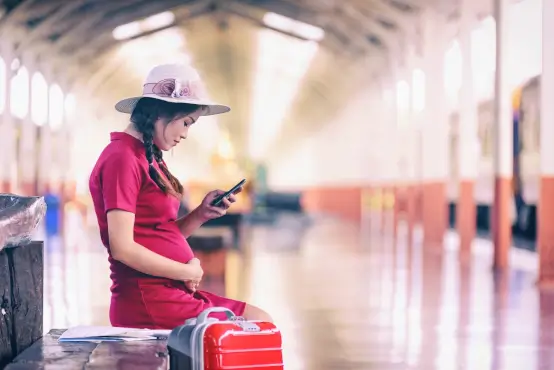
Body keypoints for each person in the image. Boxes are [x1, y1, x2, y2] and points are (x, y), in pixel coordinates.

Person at [88, 63, 272, 329]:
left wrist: (200, 214)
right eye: (186, 122)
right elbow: (122, 248)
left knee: (260, 321)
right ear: (159, 111)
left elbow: (156, 235)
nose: (185, 134)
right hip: (151, 300)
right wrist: (186, 271)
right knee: (257, 325)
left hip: (170, 295)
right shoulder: (122, 158)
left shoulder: (147, 158)